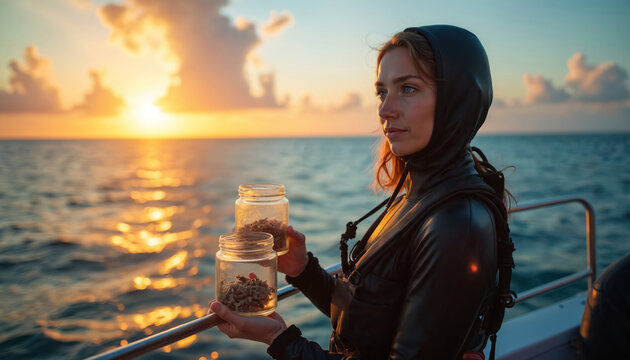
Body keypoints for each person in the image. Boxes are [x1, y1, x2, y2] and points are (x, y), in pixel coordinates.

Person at [208, 24, 514, 359]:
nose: (385, 110)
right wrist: (303, 270)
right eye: (382, 92)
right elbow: (372, 319)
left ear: (458, 100)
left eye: (408, 89)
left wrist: (281, 340)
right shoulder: (419, 196)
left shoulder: (457, 226)